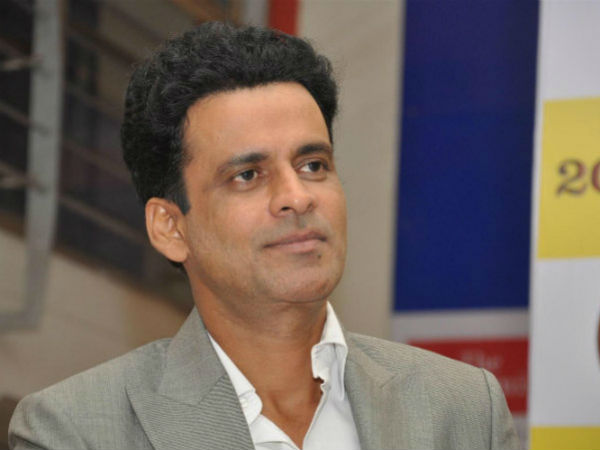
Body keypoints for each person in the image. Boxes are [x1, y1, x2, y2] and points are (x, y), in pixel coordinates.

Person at [9, 22, 520, 450]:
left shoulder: (462, 409)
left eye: (313, 164)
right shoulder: (74, 430)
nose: (297, 197)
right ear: (170, 227)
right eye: (248, 175)